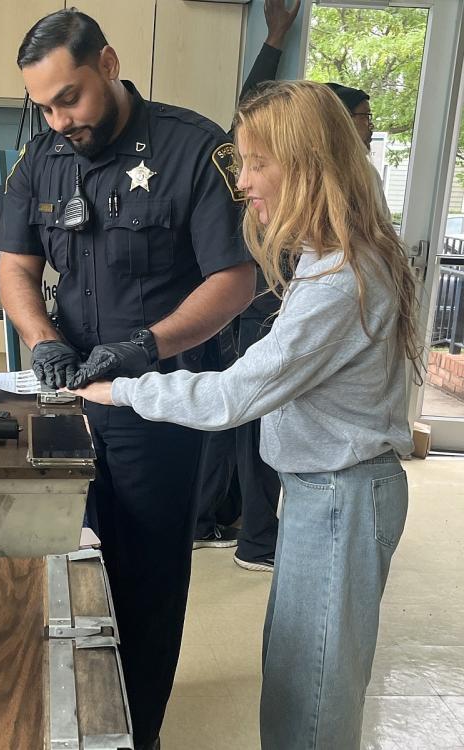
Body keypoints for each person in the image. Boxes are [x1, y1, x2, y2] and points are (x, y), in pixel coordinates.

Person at [72, 79, 419, 749]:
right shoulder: (329, 261)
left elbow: (233, 397)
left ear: (309, 163)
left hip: (342, 498)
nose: (245, 182)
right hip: (325, 495)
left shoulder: (343, 279)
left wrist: (122, 387)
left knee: (310, 710)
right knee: (295, 679)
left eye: (258, 162)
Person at [0, 10, 255, 747]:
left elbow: (234, 279)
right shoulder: (40, 157)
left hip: (156, 409)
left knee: (145, 584)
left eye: (69, 97)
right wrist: (41, 339)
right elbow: (16, 267)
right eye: (43, 105)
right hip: (70, 398)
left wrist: (148, 345)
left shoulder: (193, 149)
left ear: (107, 64)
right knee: (69, 569)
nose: (57, 118)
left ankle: (135, 734)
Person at [193, 0, 302, 569]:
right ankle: (256, 541)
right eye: (361, 122)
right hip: (250, 312)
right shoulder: (257, 183)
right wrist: (275, 38)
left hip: (243, 313)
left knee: (232, 422)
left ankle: (206, 519)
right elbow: (249, 114)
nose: (245, 177)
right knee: (249, 421)